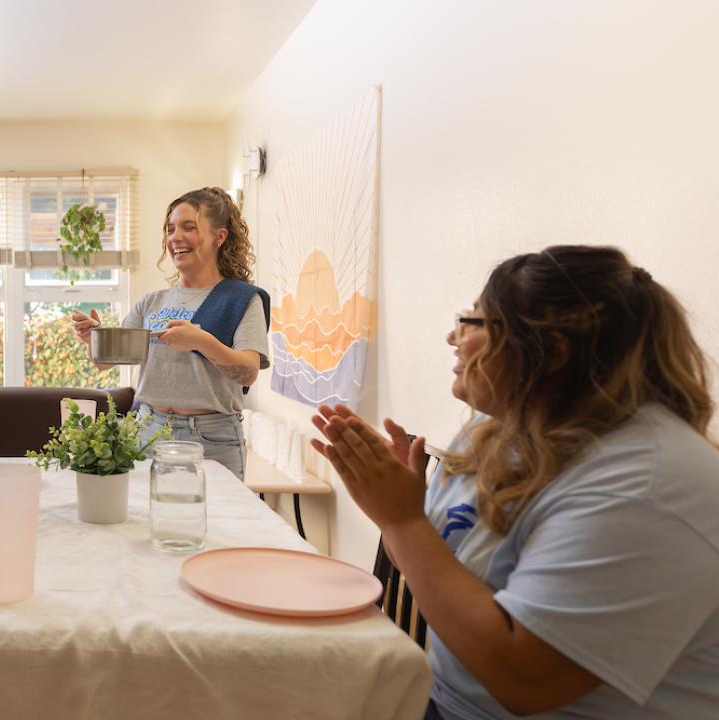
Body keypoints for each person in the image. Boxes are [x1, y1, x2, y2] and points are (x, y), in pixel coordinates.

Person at [309, 246, 719, 719]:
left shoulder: (646, 485)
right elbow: (445, 576)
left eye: (472, 322)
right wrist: (407, 510)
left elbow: (525, 681)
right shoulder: (499, 431)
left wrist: (402, 522)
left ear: (551, 351)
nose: (452, 337)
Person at [71, 187, 269, 478]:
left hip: (211, 439)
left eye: (188, 227)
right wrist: (93, 340)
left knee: (216, 521)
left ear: (220, 236)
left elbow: (248, 372)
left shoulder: (242, 299)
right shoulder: (151, 302)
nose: (175, 237)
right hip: (147, 430)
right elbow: (105, 362)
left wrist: (201, 341)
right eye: (170, 229)